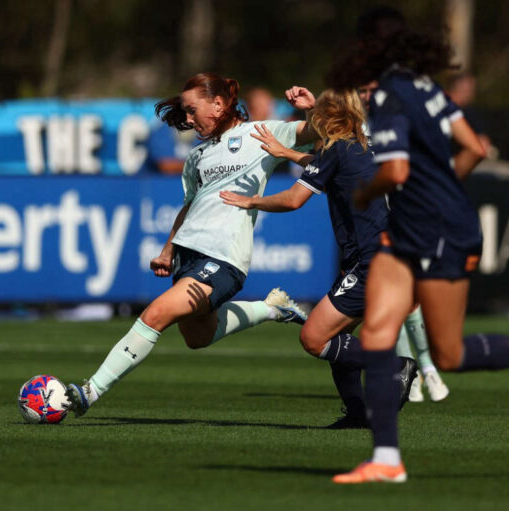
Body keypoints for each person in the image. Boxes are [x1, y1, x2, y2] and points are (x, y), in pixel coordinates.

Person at [326, 21, 509, 485]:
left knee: (448, 354)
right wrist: (442, 186)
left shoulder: (390, 96)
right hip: (412, 226)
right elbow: (475, 147)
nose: (364, 90)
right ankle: (386, 459)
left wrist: (368, 193)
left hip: (439, 231)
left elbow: (395, 172)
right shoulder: (424, 87)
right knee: (377, 332)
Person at [63, 72, 318, 416]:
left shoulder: (260, 133)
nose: (187, 118)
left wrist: (311, 109)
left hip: (224, 256)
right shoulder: (196, 155)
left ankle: (89, 392)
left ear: (218, 104)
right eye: (184, 111)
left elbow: (315, 132)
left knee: (155, 314)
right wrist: (169, 249)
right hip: (188, 255)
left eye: (192, 109)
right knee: (198, 338)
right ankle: (272, 308)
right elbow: (190, 206)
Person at [220, 88, 418, 429]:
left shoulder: (336, 148)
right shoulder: (361, 144)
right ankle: (357, 413)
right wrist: (286, 152)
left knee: (314, 338)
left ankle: (393, 367)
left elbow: (294, 199)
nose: (313, 121)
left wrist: (250, 201)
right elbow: (324, 165)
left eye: (319, 114)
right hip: (386, 258)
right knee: (339, 341)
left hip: (373, 262)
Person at [357, 79, 450, 403]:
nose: (367, 96)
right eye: (362, 90)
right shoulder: (358, 126)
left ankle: (424, 367)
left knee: (407, 299)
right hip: (375, 222)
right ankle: (415, 371)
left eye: (372, 89)